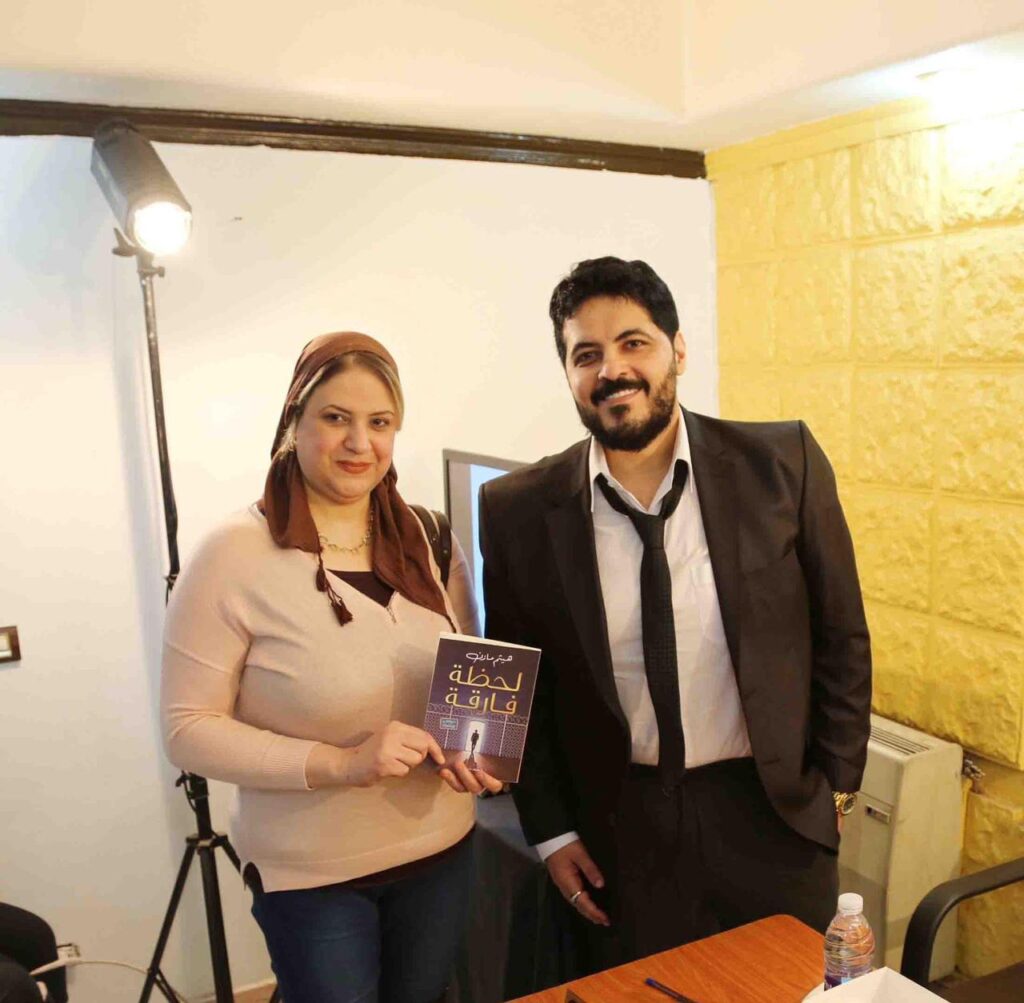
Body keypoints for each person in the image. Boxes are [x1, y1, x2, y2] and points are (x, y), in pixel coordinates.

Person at [479, 257, 871, 968]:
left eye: (634, 342)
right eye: (586, 354)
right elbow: (520, 691)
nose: (612, 370)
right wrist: (552, 832)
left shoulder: (783, 464)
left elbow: (841, 634)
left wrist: (836, 791)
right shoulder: (516, 510)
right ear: (567, 372)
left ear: (678, 350)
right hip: (619, 829)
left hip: (772, 813)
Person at [161, 332, 501, 1003]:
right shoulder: (233, 554)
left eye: (380, 422)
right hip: (312, 877)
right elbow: (186, 728)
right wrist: (340, 763)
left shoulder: (429, 536)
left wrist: (480, 747)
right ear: (295, 421)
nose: (359, 443)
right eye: (336, 418)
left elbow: (467, 670)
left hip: (443, 851)